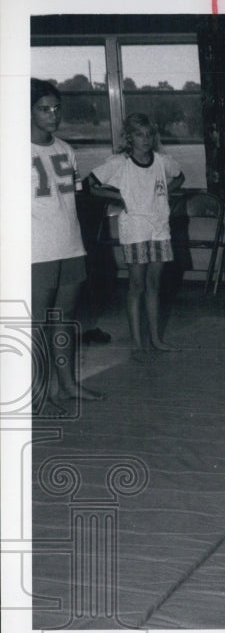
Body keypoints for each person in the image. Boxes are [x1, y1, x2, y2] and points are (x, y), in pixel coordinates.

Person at [30, 78, 105, 415]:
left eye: (56, 108)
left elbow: (72, 198)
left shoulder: (66, 150)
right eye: (44, 109)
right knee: (36, 324)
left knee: (64, 321)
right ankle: (38, 390)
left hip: (70, 245)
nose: (53, 114)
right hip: (35, 251)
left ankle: (66, 386)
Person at [86, 113, 185, 361]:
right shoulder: (119, 163)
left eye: (149, 134)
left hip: (160, 227)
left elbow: (180, 177)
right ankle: (137, 344)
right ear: (129, 137)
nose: (145, 139)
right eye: (139, 134)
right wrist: (119, 198)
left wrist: (162, 194)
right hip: (135, 229)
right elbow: (91, 184)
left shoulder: (163, 161)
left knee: (154, 285)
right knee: (137, 286)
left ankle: (156, 339)